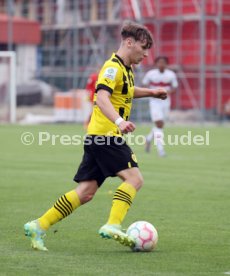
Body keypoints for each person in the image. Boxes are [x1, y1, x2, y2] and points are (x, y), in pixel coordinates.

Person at [24, 21, 167, 251]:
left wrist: (151, 92)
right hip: (107, 136)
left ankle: (38, 225)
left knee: (86, 192)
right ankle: (113, 224)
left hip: (97, 138)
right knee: (135, 179)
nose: (146, 53)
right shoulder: (113, 67)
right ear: (129, 43)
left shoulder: (127, 68)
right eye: (143, 47)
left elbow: (127, 92)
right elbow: (101, 97)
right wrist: (119, 121)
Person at [143, 56, 178, 157]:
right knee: (159, 124)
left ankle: (148, 139)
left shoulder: (171, 74)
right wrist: (152, 93)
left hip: (166, 102)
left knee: (161, 124)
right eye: (159, 62)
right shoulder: (151, 74)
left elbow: (174, 87)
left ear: (166, 64)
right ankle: (161, 150)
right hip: (154, 102)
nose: (161, 64)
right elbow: (144, 84)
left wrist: (167, 93)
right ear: (156, 64)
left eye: (163, 63)